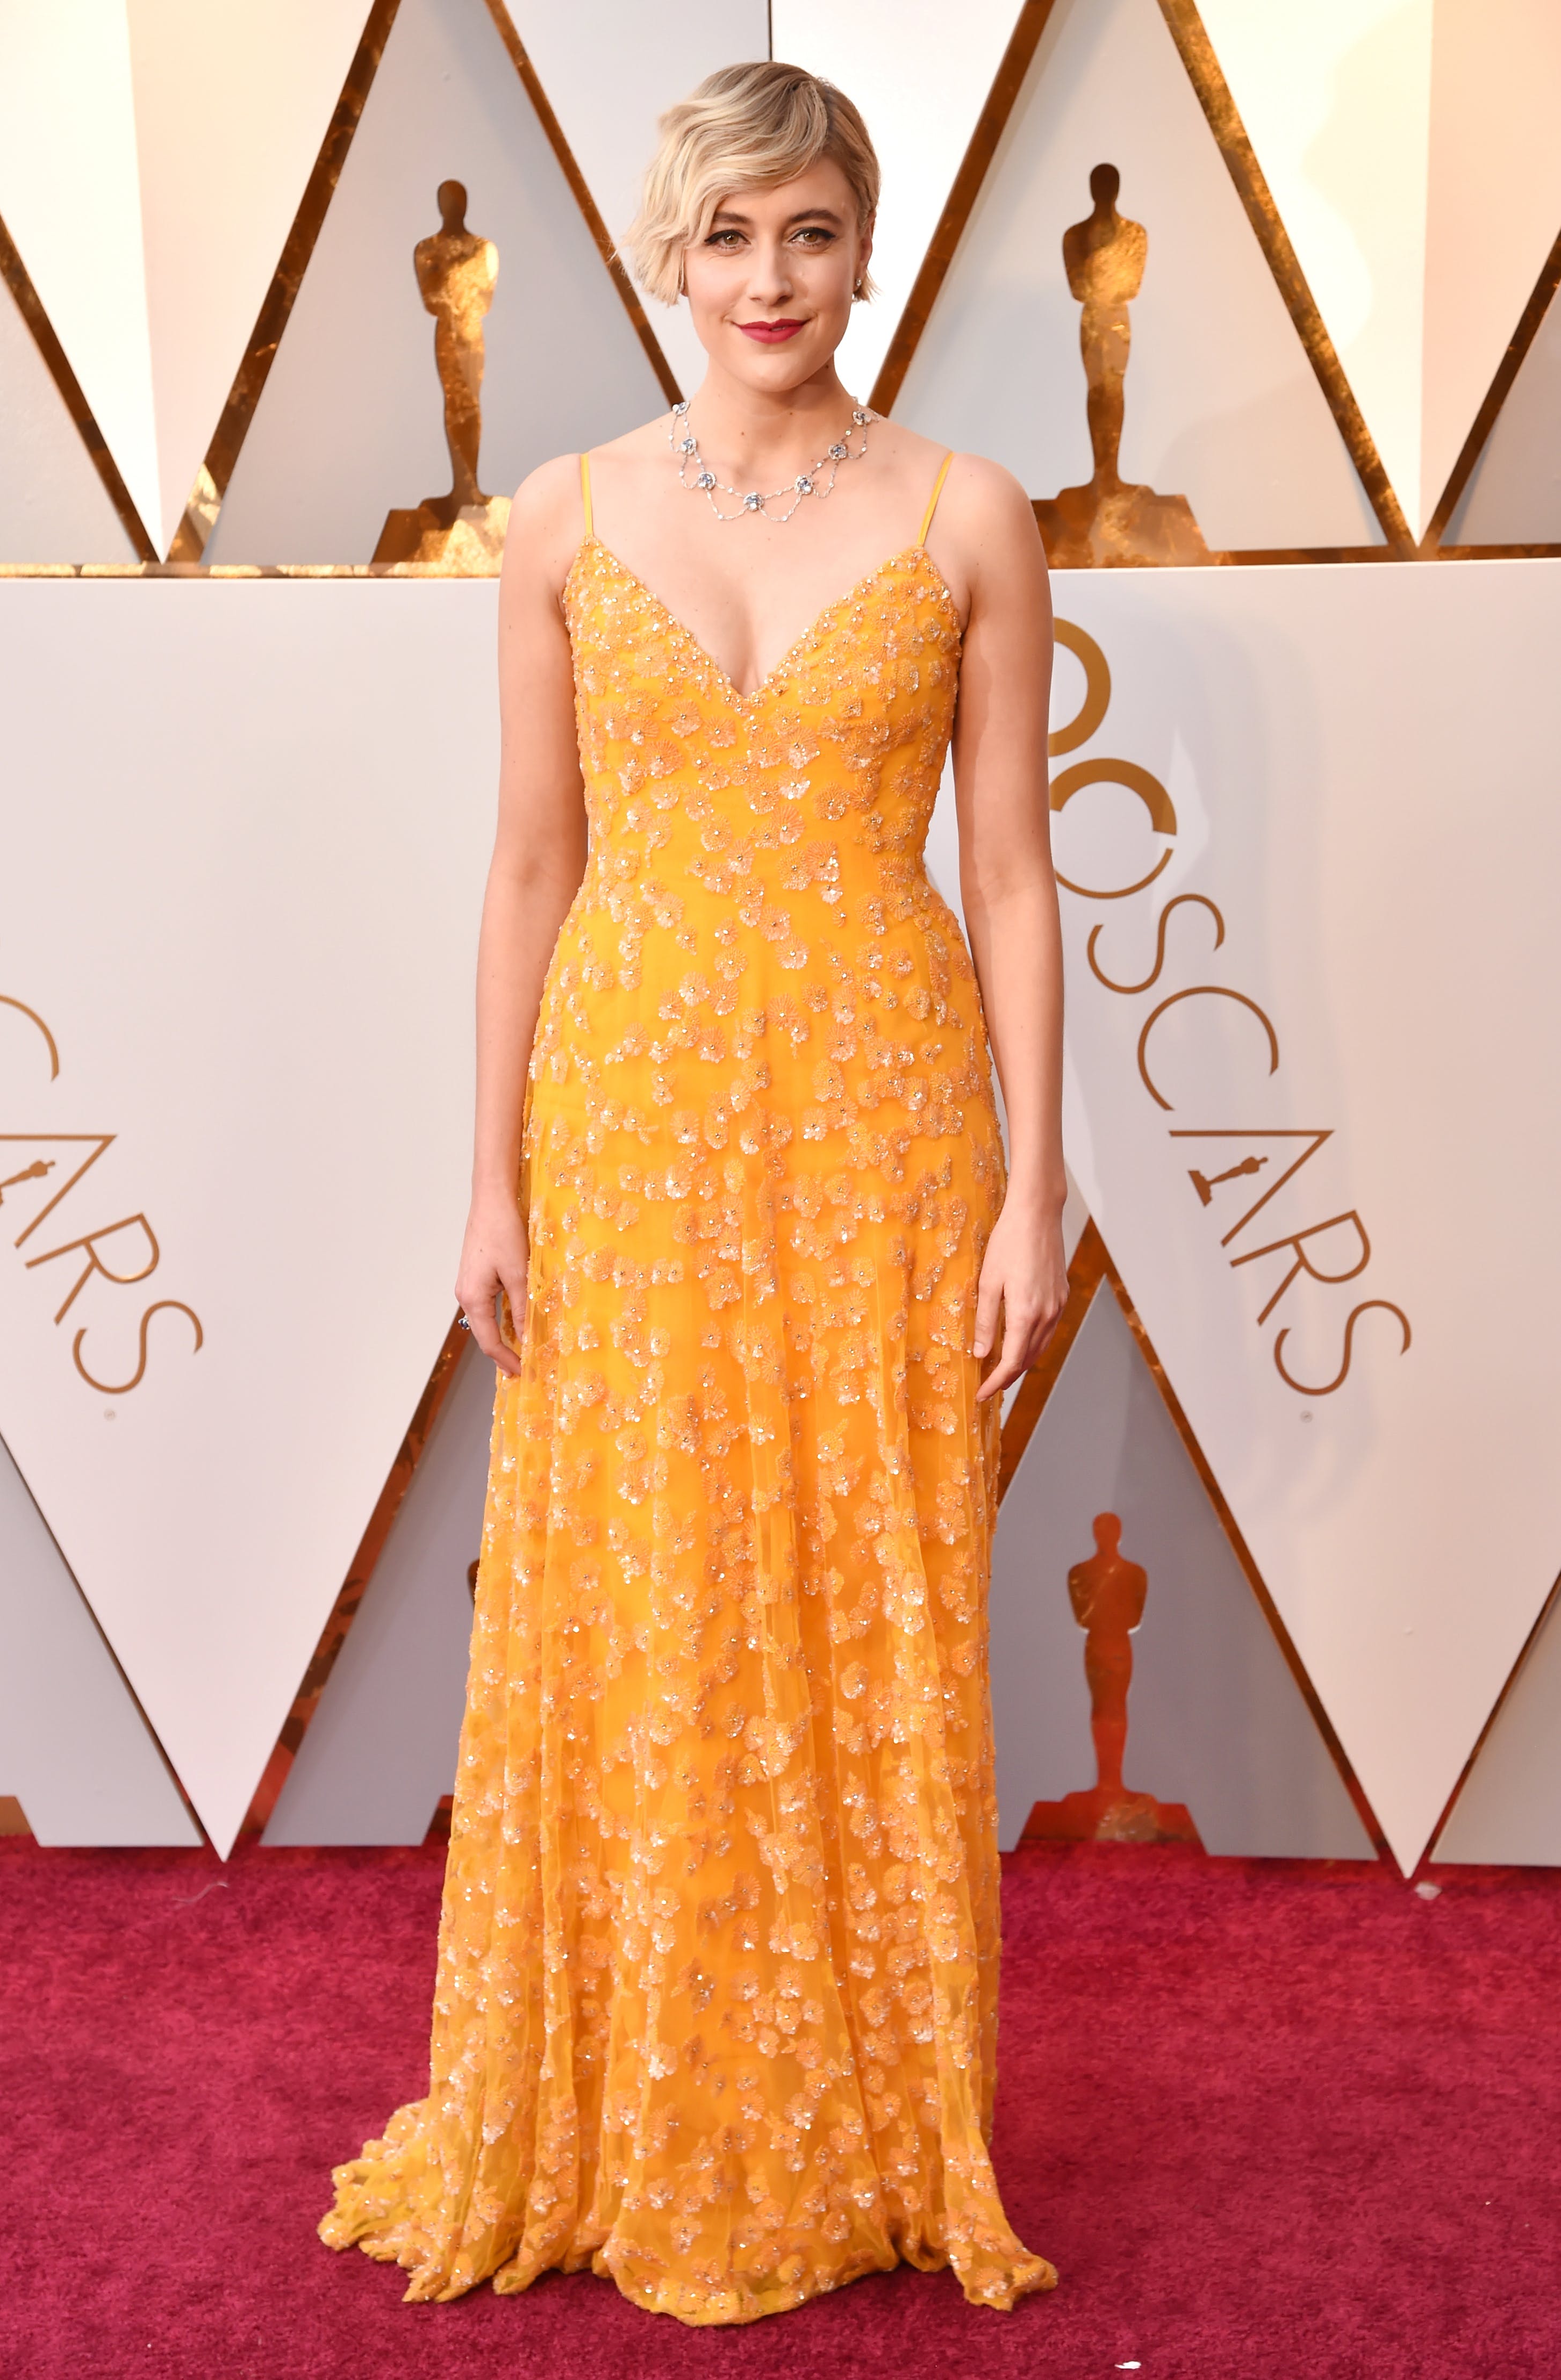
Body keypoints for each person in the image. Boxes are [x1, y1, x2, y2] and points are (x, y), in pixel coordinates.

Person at [321, 60, 1066, 2327]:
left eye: (809, 230)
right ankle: (631, 2109)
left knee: (866, 1602)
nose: (770, 276)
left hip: (883, 1127)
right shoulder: (559, 516)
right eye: (728, 234)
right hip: (626, 1128)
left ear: (866, 249)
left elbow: (1014, 878)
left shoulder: (969, 514)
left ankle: (861, 2123)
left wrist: (1038, 1183)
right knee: (640, 1605)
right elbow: (529, 864)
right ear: (668, 254)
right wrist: (484, 1177)